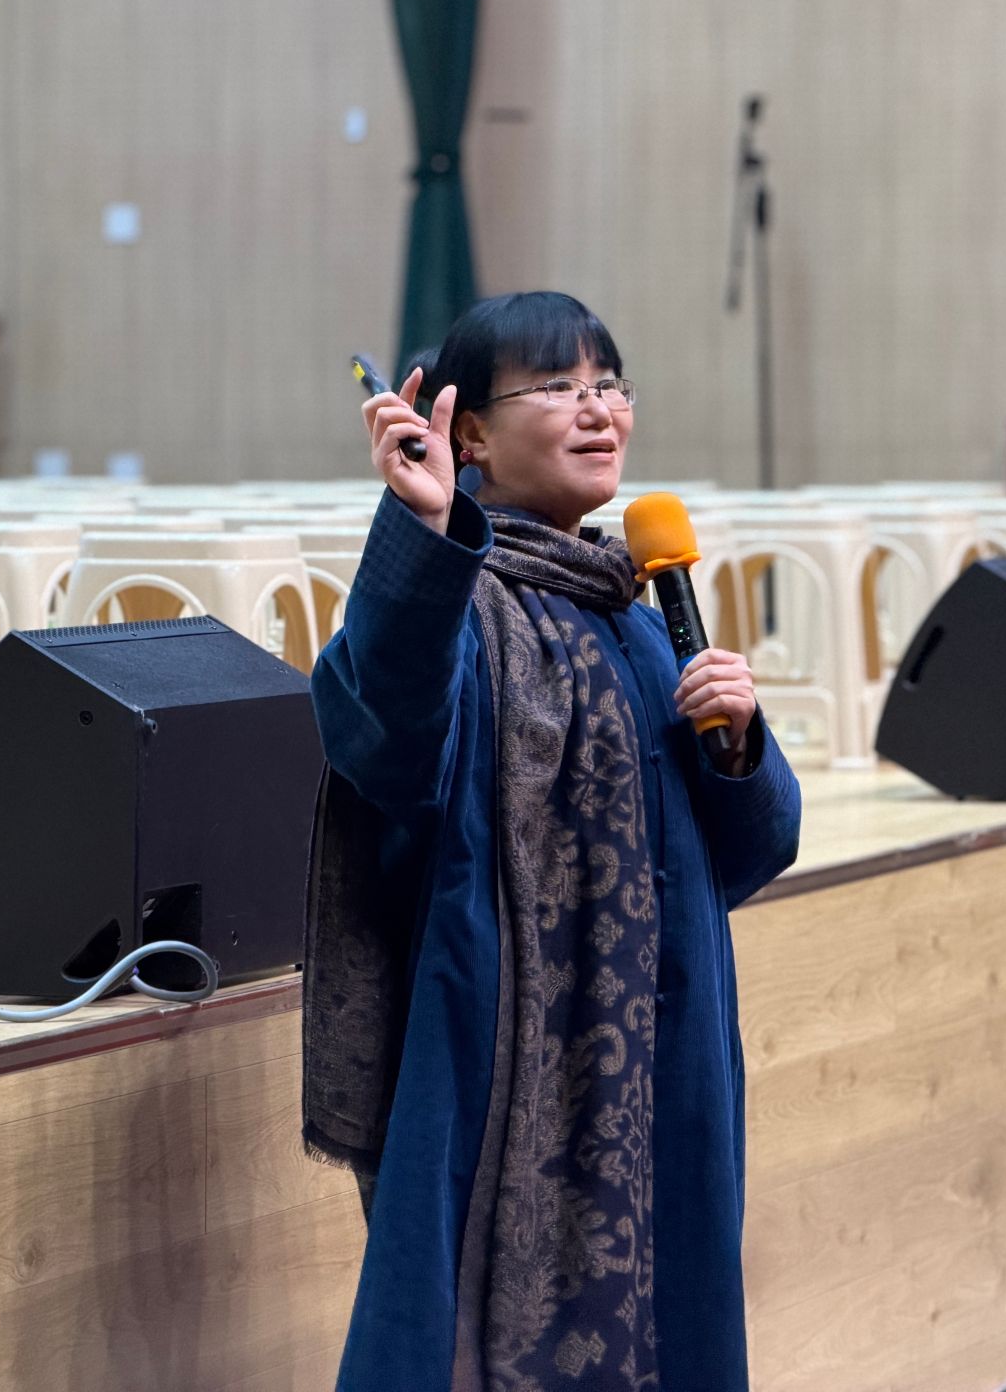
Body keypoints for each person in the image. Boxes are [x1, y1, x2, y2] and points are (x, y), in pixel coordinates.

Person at [305, 291, 802, 1391]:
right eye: (558, 386)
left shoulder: (639, 612)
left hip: (663, 1053)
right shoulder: (460, 605)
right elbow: (381, 734)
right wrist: (423, 533)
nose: (596, 409)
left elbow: (749, 854)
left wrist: (738, 745)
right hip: (509, 1052)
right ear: (471, 435)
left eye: (608, 384)